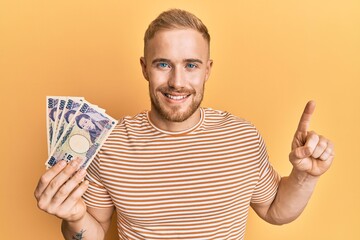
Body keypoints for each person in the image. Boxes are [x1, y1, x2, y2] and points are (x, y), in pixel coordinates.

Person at [34, 9, 335, 240]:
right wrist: (74, 218)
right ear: (144, 68)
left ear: (207, 70)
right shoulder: (110, 143)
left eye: (191, 65)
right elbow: (95, 231)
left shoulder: (242, 138)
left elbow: (275, 211)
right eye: (163, 64)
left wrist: (304, 177)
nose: (177, 82)